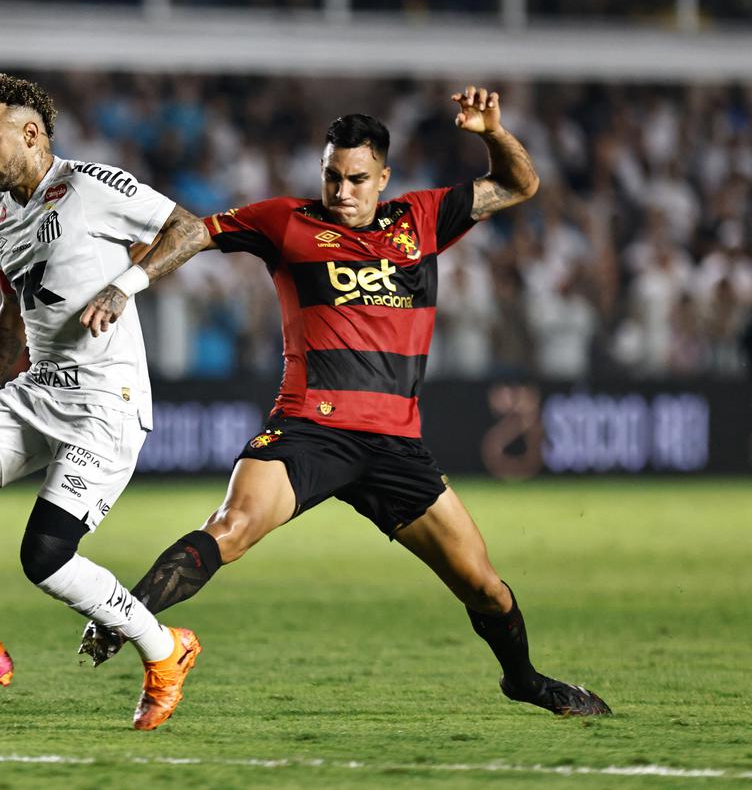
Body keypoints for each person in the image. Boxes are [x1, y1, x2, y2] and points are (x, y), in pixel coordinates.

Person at [76, 86, 612, 717]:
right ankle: (130, 619)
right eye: (332, 176)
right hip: (309, 430)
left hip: (395, 445)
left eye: (357, 179)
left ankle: (523, 679)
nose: (342, 191)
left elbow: (520, 184)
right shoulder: (285, 222)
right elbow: (194, 233)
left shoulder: (424, 218)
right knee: (231, 527)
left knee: (484, 587)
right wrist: (126, 285)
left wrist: (492, 132)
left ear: (382, 178)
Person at [0, 73, 201, 731]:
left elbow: (189, 228)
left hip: (105, 401)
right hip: (36, 391)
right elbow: (13, 313)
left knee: (45, 558)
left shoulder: (91, 187)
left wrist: (126, 284)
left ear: (31, 134)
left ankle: (164, 649)